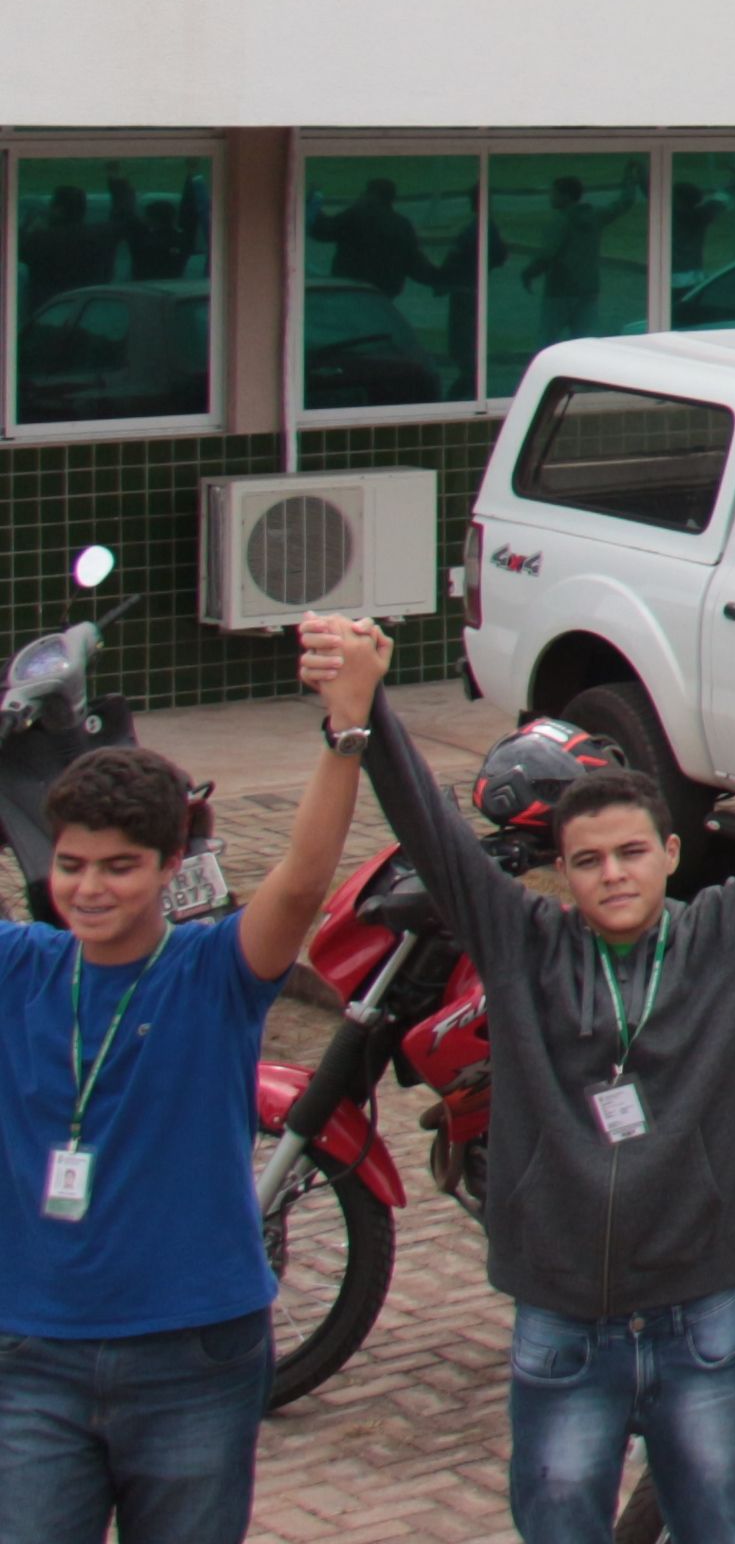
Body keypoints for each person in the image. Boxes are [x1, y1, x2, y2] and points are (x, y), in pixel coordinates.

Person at [361, 637, 735, 1544]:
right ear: (563, 872)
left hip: (697, 1319)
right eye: (588, 861)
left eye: (630, 853)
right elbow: (431, 833)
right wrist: (366, 708)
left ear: (670, 852)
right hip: (561, 1325)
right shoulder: (523, 945)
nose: (612, 874)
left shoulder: (730, 935)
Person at [1, 618, 389, 1544]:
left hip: (194, 1356)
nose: (90, 890)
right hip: (30, 1355)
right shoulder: (19, 969)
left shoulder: (214, 974)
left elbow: (298, 886)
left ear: (171, 868)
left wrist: (346, 735)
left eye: (121, 868)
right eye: (73, 866)